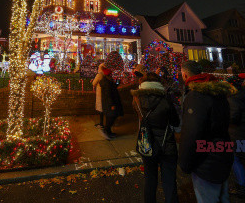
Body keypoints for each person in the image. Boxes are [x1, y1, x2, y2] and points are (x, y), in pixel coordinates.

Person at [178, 61, 234, 203]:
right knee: (223, 197)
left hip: (206, 162)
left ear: (184, 74)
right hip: (223, 154)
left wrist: (184, 163)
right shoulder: (218, 92)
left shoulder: (196, 96)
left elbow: (192, 133)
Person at [132, 72, 180, 203]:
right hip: (166, 143)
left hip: (147, 142)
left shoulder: (137, 99)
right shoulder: (165, 98)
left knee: (150, 179)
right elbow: (175, 121)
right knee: (169, 181)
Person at [99, 66, 123, 140]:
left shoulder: (108, 81)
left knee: (111, 117)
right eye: (111, 74)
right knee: (111, 117)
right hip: (109, 104)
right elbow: (108, 94)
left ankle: (108, 132)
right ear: (108, 75)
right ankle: (106, 131)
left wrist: (118, 83)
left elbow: (113, 87)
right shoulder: (106, 83)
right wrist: (111, 104)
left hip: (110, 103)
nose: (112, 76)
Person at [92, 63, 107, 129]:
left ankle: (101, 123)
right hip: (106, 92)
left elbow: (94, 83)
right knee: (104, 107)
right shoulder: (106, 74)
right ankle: (103, 123)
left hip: (100, 92)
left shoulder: (99, 75)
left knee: (100, 108)